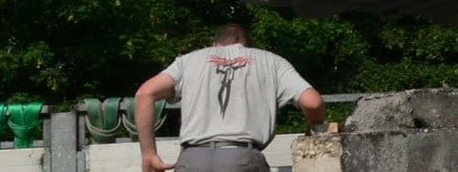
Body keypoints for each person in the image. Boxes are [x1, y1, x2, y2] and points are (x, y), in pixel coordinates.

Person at [134, 23, 326, 172]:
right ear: (248, 46)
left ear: (215, 45)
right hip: (242, 160)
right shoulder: (271, 61)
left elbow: (144, 94)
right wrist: (315, 126)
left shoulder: (189, 60)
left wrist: (149, 155)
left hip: (192, 161)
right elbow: (313, 102)